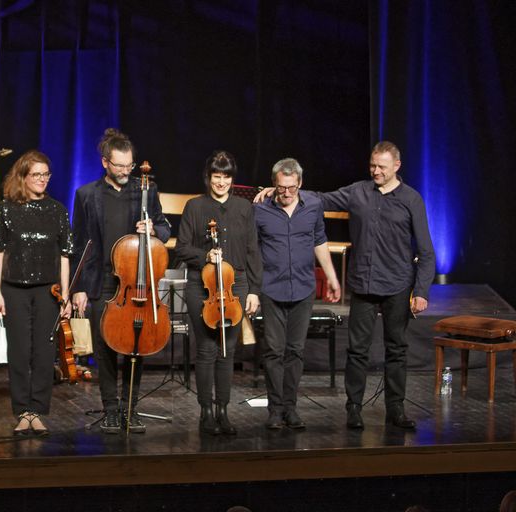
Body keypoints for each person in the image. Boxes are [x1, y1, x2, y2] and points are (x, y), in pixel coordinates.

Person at [255, 141, 435, 430]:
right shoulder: (358, 191)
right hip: (363, 283)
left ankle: (396, 409)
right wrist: (281, 190)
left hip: (398, 284)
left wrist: (422, 291)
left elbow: (426, 250)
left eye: (382, 167)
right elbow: (320, 199)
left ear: (397, 166)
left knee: (397, 349)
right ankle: (354, 409)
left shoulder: (411, 199)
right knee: (357, 351)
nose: (375, 171)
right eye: (372, 165)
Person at [71, 128, 172, 434]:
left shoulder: (146, 190)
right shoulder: (86, 195)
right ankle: (111, 409)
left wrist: (153, 230)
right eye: (120, 166)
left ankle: (131, 408)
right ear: (105, 162)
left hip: (136, 283)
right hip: (102, 281)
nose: (127, 171)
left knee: (135, 346)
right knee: (104, 348)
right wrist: (78, 288)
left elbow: (165, 229)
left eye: (130, 165)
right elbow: (80, 244)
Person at [174, 150, 261, 436]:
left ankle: (223, 410)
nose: (221, 182)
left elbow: (252, 250)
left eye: (226, 176)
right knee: (206, 349)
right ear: (208, 177)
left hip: (236, 286)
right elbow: (181, 248)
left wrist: (254, 290)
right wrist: (205, 256)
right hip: (202, 286)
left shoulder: (244, 208)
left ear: (232, 179)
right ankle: (206, 411)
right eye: (216, 176)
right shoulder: (195, 207)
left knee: (227, 351)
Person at [253, 158, 341, 430]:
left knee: (295, 350)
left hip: (303, 288)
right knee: (273, 351)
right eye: (281, 188)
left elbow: (319, 241)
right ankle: (275, 409)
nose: (287, 193)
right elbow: (252, 251)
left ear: (300, 183)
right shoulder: (260, 209)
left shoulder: (313, 206)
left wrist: (332, 277)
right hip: (271, 288)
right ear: (273, 185)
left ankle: (290, 408)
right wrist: (252, 290)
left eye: (292, 187)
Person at [0, 150, 73, 436]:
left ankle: (36, 411)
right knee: (19, 352)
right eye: (36, 174)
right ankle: (21, 411)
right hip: (14, 289)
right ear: (23, 177)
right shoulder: (6, 210)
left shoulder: (57, 210)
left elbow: (65, 255)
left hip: (47, 291)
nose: (42, 179)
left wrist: (65, 294)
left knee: (44, 353)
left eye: (45, 174)